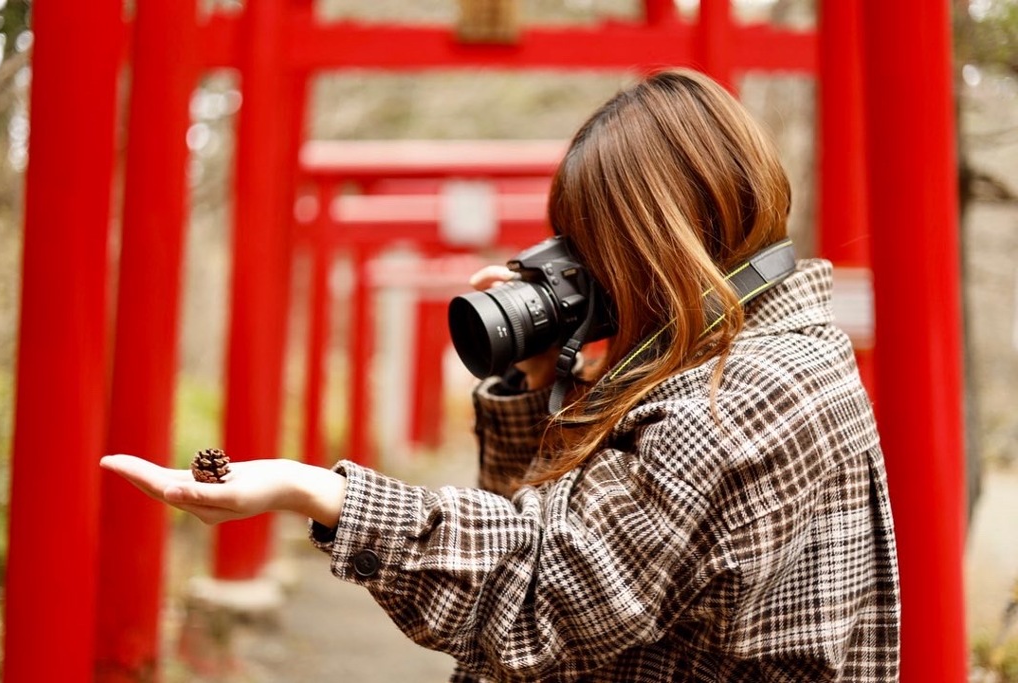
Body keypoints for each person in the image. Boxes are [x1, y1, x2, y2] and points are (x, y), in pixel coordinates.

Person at [102, 68, 900, 682]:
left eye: (596, 243)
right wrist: (530, 380)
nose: (591, 272)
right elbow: (546, 524)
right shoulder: (758, 353)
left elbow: (547, 590)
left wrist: (320, 491)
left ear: (659, 235)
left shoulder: (745, 392)